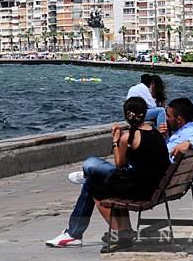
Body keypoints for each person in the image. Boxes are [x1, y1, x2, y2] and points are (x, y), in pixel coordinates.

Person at [46, 97, 169, 251]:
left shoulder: (129, 137)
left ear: (127, 115)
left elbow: (119, 164)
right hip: (154, 185)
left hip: (140, 189)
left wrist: (116, 140)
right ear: (145, 114)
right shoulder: (155, 133)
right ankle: (78, 232)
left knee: (92, 185)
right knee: (97, 177)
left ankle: (115, 233)